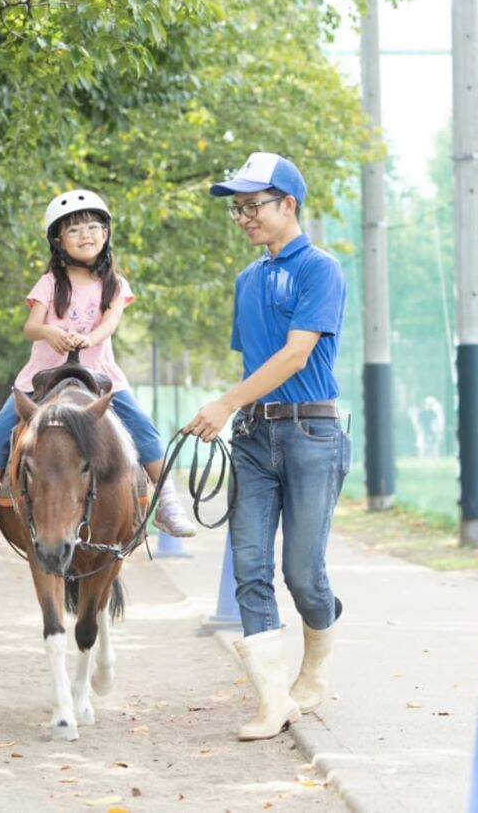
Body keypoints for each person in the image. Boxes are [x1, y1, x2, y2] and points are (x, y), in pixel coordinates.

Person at [184, 152, 350, 740]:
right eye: (239, 209)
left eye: (254, 205)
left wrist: (224, 402)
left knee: (302, 574)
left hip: (312, 434)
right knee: (249, 569)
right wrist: (236, 410)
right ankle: (273, 699)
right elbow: (256, 360)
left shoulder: (320, 270)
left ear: (290, 205)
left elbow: (295, 355)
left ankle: (316, 671)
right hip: (254, 436)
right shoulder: (247, 281)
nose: (245, 217)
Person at [0, 189, 198, 547]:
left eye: (93, 227)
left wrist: (89, 338)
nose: (86, 235)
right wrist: (51, 332)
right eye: (74, 230)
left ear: (106, 233)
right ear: (58, 240)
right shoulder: (50, 283)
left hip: (100, 375)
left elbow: (110, 324)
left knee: (144, 429)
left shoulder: (114, 285)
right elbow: (31, 327)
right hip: (42, 376)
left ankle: (167, 502)